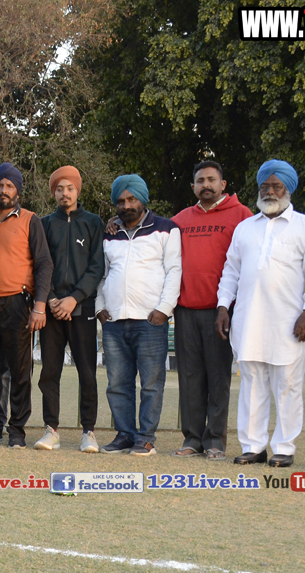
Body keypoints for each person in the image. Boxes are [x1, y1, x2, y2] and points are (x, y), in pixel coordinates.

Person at [216, 160, 305, 467]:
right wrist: (223, 306)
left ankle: (284, 448)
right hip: (248, 319)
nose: (270, 192)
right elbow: (231, 270)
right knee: (252, 384)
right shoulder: (245, 227)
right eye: (265, 186)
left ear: (288, 189)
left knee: (288, 385)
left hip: (290, 321)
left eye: (277, 186)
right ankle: (253, 446)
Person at [170, 161, 254, 459]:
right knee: (189, 377)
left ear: (223, 184)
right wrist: (115, 222)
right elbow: (150, 232)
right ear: (193, 186)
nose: (206, 184)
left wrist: (229, 306)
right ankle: (192, 438)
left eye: (211, 179)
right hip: (185, 310)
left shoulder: (242, 216)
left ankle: (215, 440)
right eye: (200, 180)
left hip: (222, 312)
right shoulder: (179, 220)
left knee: (218, 377)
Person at [97, 175, 182, 456]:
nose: (126, 205)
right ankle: (124, 434)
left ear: (143, 200)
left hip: (150, 321)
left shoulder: (166, 229)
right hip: (114, 321)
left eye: (132, 199)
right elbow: (102, 274)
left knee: (151, 384)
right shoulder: (109, 233)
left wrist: (164, 309)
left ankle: (145, 437)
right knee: (117, 384)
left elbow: (174, 271)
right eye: (121, 201)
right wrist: (100, 308)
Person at [0, 162, 51, 448]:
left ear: (18, 191)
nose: (4, 190)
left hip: (19, 302)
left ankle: (17, 429)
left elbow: (44, 264)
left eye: (10, 186)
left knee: (19, 370)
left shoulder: (31, 220)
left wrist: (39, 306)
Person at [37, 166, 104, 453]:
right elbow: (39, 263)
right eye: (59, 189)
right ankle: (51, 430)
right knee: (49, 372)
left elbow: (97, 267)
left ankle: (89, 431)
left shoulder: (93, 222)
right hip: (51, 310)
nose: (65, 193)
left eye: (70, 188)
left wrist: (74, 298)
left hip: (82, 307)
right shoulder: (44, 224)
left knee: (87, 373)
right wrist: (51, 298)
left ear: (78, 190)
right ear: (54, 192)